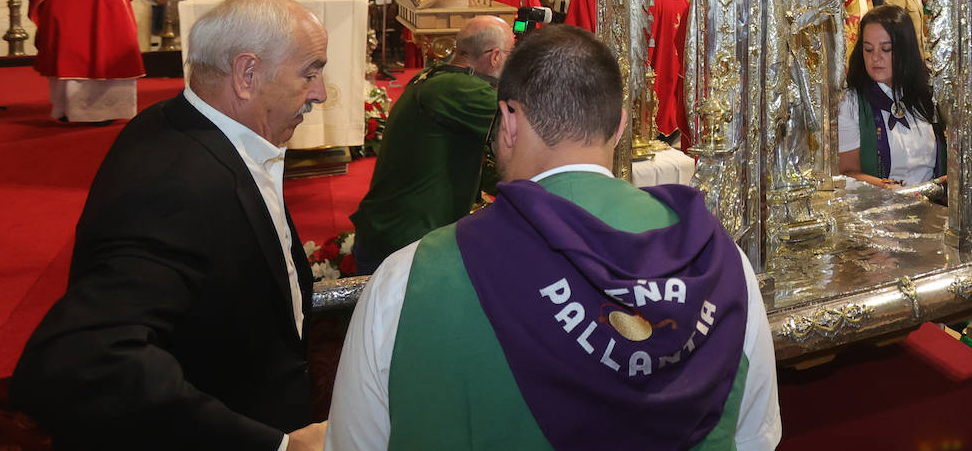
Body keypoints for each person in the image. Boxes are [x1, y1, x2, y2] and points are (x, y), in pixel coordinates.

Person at [326, 25, 781, 451]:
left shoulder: (408, 280)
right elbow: (756, 436)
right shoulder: (722, 261)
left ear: (507, 121)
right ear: (620, 126)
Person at [11, 0, 330, 450]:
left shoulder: (186, 125)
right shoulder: (175, 183)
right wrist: (277, 446)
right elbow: (83, 362)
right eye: (310, 72)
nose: (320, 91)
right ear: (247, 74)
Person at [350, 16, 513, 274]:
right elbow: (533, 130)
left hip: (387, 234)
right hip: (405, 248)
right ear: (495, 57)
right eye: (511, 54)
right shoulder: (463, 89)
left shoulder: (433, 76)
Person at [837, 5, 944, 188]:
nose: (875, 58)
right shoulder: (853, 102)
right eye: (868, 50)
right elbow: (848, 173)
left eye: (886, 49)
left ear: (905, 50)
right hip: (881, 209)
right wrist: (887, 187)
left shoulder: (931, 89)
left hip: (935, 206)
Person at [648, 0, 691, 144]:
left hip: (660, 63)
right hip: (679, 65)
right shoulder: (685, 3)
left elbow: (649, 36)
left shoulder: (656, 1)